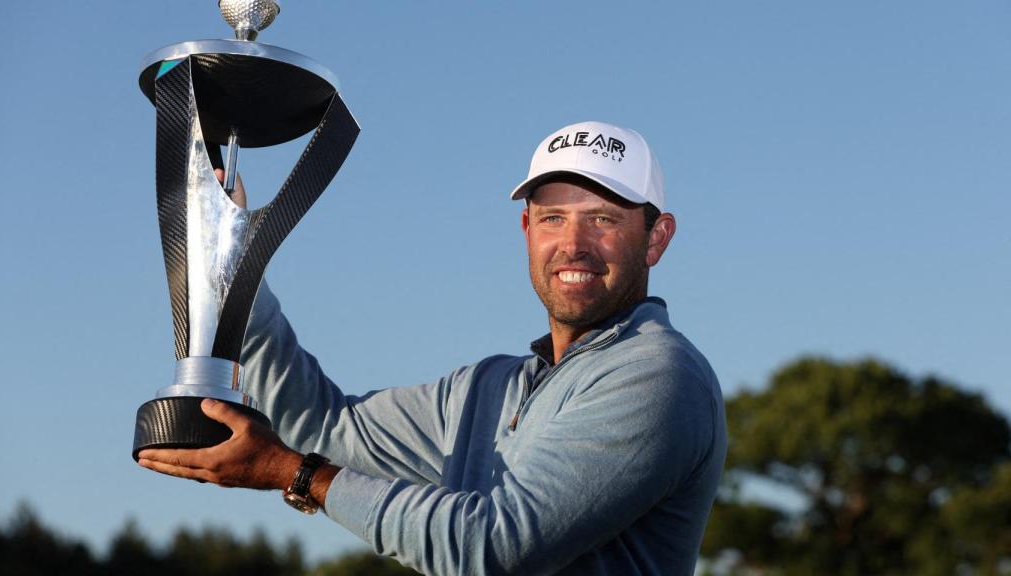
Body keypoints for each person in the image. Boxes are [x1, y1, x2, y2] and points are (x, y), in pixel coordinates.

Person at [138, 120, 727, 576]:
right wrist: (234, 260)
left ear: (657, 238)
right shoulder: (486, 388)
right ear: (527, 231)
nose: (572, 244)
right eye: (552, 218)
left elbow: (493, 549)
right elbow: (320, 424)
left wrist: (293, 474)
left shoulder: (658, 376)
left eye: (603, 218)